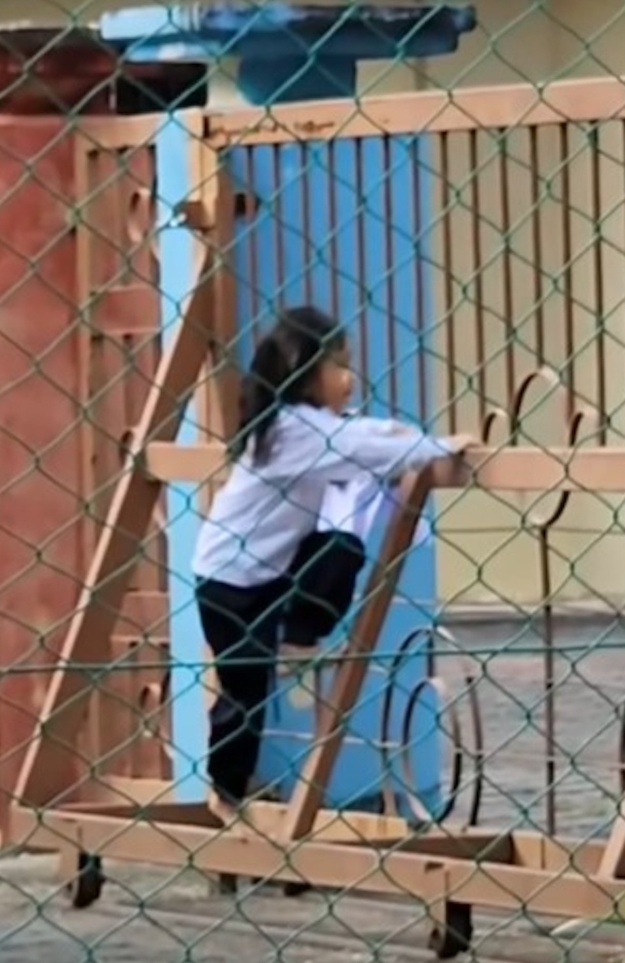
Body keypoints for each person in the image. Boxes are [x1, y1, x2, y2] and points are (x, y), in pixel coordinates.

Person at [192, 304, 472, 808]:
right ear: (306, 371)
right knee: (245, 693)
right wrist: (439, 446)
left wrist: (413, 444)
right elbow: (361, 444)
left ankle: (300, 636)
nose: (350, 377)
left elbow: (363, 440)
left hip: (271, 570)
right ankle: (227, 788)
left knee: (340, 548)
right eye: (339, 365)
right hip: (230, 581)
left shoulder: (308, 426)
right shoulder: (291, 430)